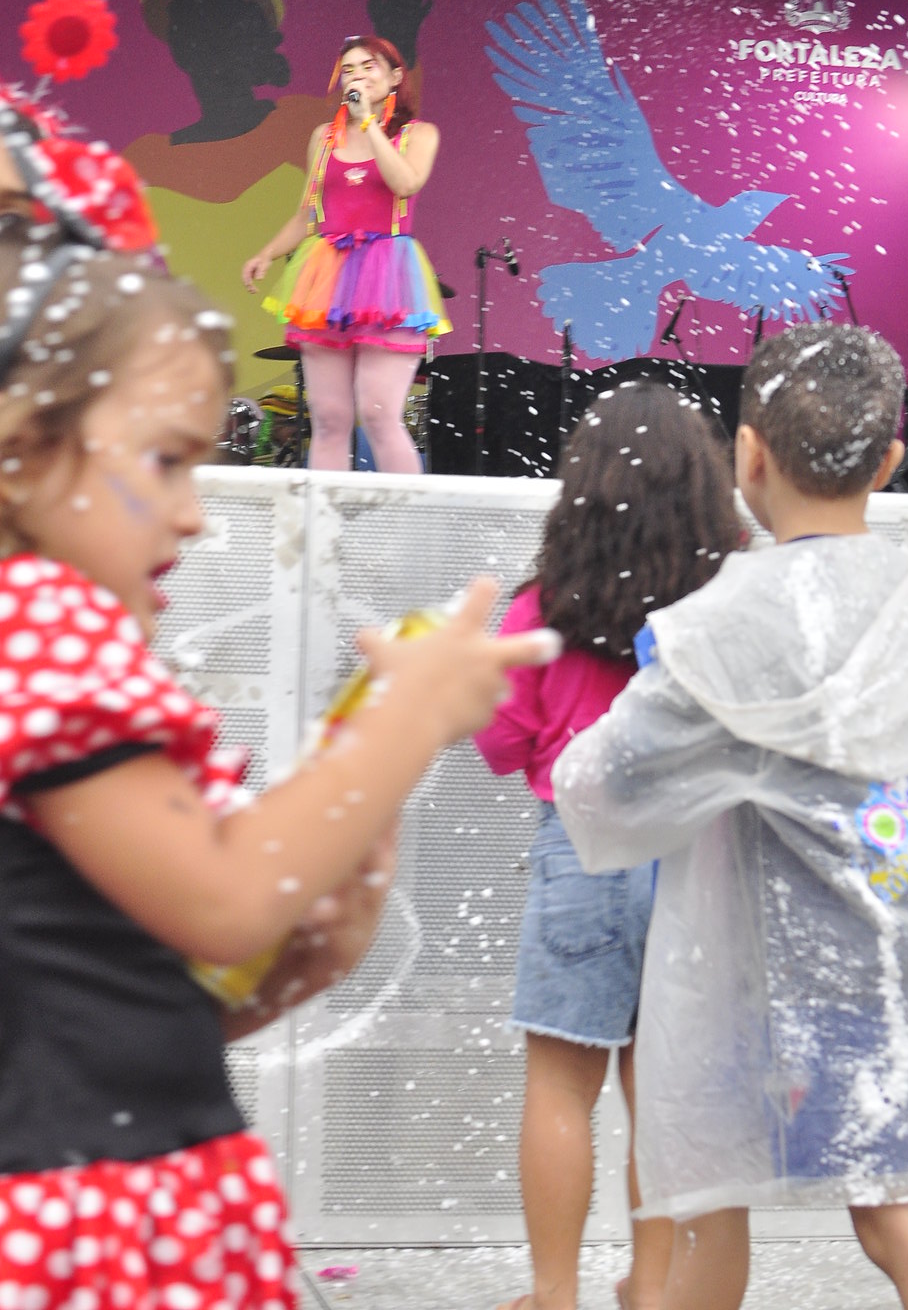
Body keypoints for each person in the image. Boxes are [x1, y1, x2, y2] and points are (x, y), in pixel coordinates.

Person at [0, 126, 559, 1310]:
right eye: (166, 461)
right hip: (100, 1219)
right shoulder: (39, 626)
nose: (194, 515)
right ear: (24, 448)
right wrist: (399, 722)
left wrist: (303, 954)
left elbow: (94, 999)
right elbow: (223, 900)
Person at [554, 326, 908, 1310]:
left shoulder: (722, 623)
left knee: (727, 1202)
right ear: (889, 461)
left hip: (760, 966)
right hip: (898, 965)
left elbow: (603, 787)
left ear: (748, 454)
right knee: (895, 1210)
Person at [476, 382, 746, 1310]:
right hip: (698, 852)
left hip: (581, 848)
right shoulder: (727, 600)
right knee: (660, 1091)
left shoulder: (542, 606)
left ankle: (554, 1295)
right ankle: (653, 1287)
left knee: (561, 1087)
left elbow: (499, 740)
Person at [242, 35, 448, 472]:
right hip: (327, 277)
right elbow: (308, 214)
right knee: (330, 418)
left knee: (378, 414)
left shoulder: (418, 134)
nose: (357, 76)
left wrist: (369, 123)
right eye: (349, 69)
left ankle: (404, 513)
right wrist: (266, 253)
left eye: (369, 67)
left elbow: (405, 183)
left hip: (388, 278)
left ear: (395, 77)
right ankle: (325, 513)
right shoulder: (324, 137)